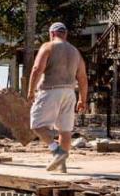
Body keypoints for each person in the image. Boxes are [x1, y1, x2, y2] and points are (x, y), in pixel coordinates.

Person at [28, 22, 88, 172]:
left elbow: (36, 69)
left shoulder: (48, 46)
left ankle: (56, 151)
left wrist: (30, 90)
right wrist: (82, 99)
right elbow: (82, 78)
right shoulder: (75, 51)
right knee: (65, 130)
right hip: (69, 92)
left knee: (36, 125)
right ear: (65, 34)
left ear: (52, 34)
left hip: (50, 90)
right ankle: (62, 166)